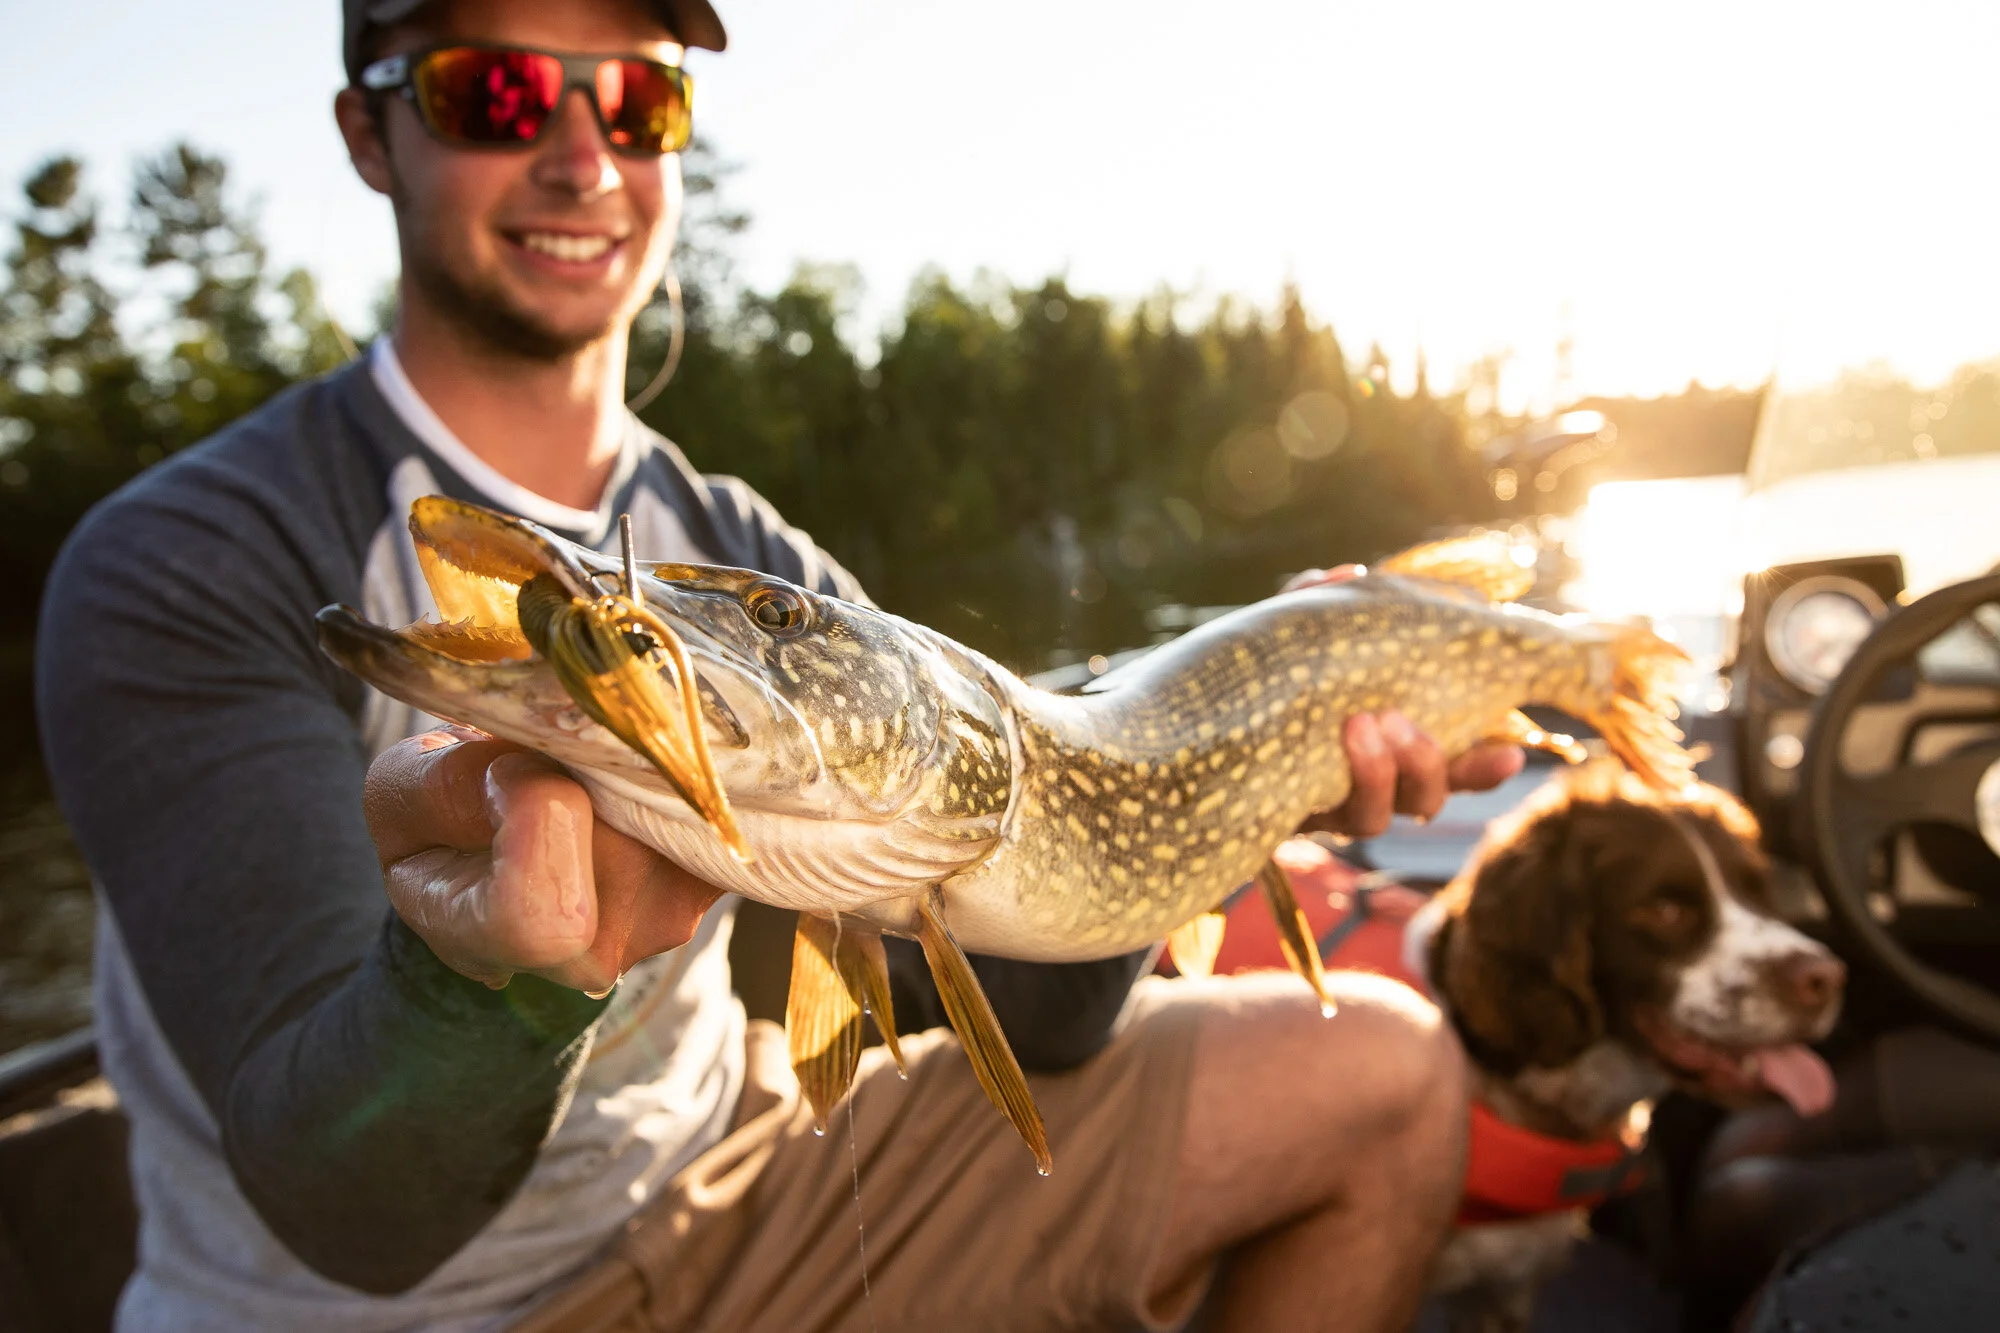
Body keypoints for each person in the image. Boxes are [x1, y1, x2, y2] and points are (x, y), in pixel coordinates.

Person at [35, 1, 1523, 1329]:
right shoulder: (189, 559)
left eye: (639, 103)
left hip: (739, 1170)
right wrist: (483, 994)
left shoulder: (739, 552)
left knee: (1388, 1077)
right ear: (370, 130)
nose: (580, 157)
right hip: (406, 1312)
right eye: (493, 92)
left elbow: (1054, 1020)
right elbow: (351, 1216)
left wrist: (1244, 781)